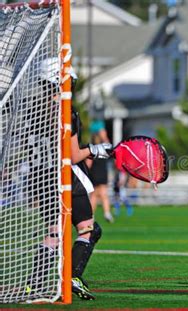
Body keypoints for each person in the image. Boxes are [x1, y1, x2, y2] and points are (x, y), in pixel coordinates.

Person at [26, 61, 112, 301]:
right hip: (67, 178)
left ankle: (34, 283)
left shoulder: (34, 109)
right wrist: (97, 149)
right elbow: (74, 155)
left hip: (41, 177)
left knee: (54, 232)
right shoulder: (66, 111)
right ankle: (72, 277)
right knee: (88, 228)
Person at [87, 123, 114, 223]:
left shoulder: (92, 147)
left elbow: (88, 164)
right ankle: (107, 213)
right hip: (101, 172)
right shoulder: (101, 146)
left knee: (94, 194)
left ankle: (91, 215)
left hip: (95, 173)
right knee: (103, 193)